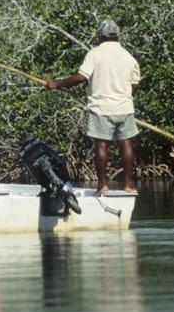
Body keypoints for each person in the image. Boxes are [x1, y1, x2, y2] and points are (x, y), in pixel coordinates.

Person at [44, 19, 140, 196]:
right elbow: (135, 84)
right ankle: (128, 185)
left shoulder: (95, 54)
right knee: (126, 143)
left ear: (99, 36)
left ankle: (102, 185)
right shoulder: (128, 56)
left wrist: (57, 84)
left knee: (101, 145)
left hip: (101, 108)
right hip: (125, 107)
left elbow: (81, 77)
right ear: (118, 36)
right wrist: (125, 98)